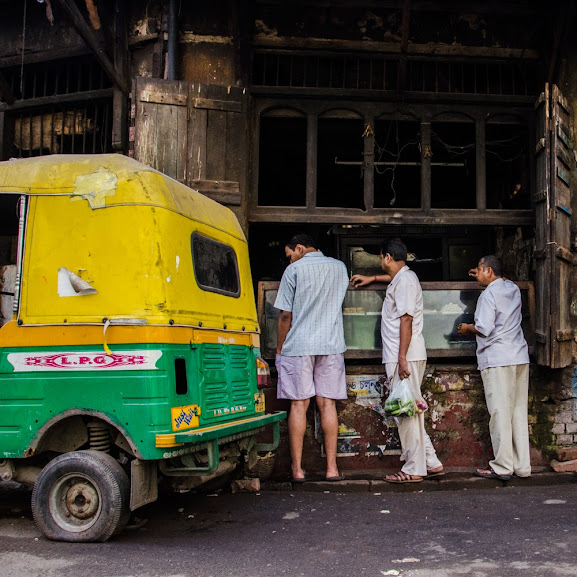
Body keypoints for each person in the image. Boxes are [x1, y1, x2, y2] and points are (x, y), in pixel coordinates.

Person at [351, 238, 443, 483]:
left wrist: (401, 358)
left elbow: (406, 320)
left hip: (405, 355)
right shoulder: (403, 279)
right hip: (406, 354)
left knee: (406, 413)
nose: (381, 262)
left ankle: (413, 468)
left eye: (381, 257)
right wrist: (372, 279)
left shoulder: (404, 282)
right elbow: (393, 283)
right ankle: (430, 461)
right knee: (410, 408)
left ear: (387, 258)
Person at [274, 233, 350, 483]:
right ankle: (332, 469)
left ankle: (297, 470)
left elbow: (286, 315)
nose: (289, 261)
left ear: (299, 248)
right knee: (327, 404)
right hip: (331, 343)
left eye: (290, 255)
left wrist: (279, 348)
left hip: (299, 345)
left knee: (298, 405)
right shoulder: (340, 268)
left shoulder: (294, 271)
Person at [458, 255, 530, 481]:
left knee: (499, 412)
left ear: (489, 271)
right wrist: (482, 273)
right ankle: (522, 466)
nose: (477, 274)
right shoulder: (512, 288)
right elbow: (502, 278)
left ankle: (502, 466)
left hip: (498, 359)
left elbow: (484, 329)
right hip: (519, 356)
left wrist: (468, 328)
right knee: (518, 411)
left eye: (479, 270)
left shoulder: (487, 295)